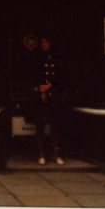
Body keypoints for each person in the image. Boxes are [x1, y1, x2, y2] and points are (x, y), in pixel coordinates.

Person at [31, 36, 65, 166]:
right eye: (43, 42)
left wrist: (49, 86)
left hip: (54, 95)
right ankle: (41, 155)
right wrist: (41, 90)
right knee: (40, 125)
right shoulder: (37, 57)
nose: (45, 44)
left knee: (55, 126)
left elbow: (60, 76)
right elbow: (33, 76)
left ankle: (56, 155)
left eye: (47, 42)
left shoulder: (55, 58)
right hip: (40, 95)